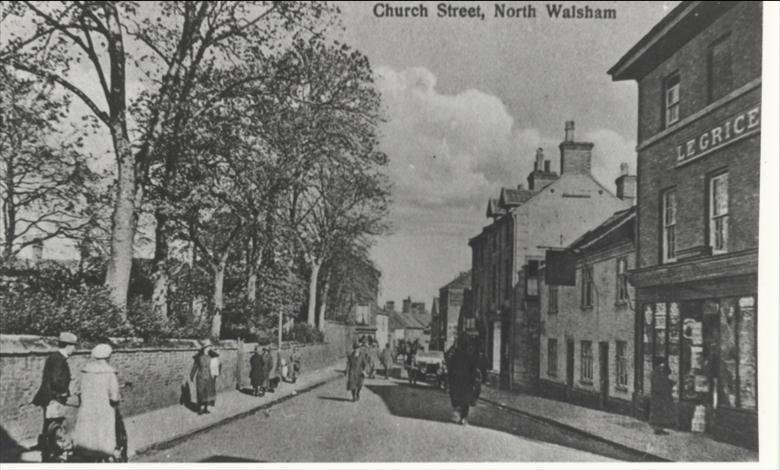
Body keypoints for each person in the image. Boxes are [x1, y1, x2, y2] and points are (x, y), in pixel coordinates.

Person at [32, 332, 78, 462]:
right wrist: (64, 391)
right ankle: (51, 454)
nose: (74, 349)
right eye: (73, 346)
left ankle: (48, 455)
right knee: (54, 425)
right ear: (68, 345)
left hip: (51, 396)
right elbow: (56, 380)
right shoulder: (59, 359)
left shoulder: (55, 357)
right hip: (54, 397)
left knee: (51, 425)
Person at [72, 344, 121, 461]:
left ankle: (86, 454)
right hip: (104, 410)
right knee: (103, 436)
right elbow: (114, 397)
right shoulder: (109, 373)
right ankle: (104, 455)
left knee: (88, 435)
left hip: (87, 410)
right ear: (108, 356)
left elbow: (78, 390)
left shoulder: (85, 371)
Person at [446, 339, 480, 425]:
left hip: (457, 381)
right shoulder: (470, 356)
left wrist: (449, 379)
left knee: (458, 398)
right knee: (465, 400)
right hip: (467, 382)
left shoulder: (455, 355)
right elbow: (474, 369)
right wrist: (473, 380)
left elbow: (449, 365)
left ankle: (460, 415)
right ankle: (463, 417)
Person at [649, 357, 677, 435]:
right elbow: (660, 383)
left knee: (660, 413)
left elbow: (665, 380)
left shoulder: (658, 372)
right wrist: (670, 384)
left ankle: (659, 429)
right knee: (658, 413)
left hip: (660, 396)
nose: (662, 366)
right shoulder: (656, 373)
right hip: (658, 396)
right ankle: (658, 429)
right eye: (661, 364)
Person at [190, 340, 217, 414]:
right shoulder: (199, 357)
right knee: (200, 392)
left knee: (207, 393)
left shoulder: (211, 356)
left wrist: (215, 374)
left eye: (210, 347)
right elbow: (195, 366)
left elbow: (216, 365)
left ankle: (205, 408)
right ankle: (199, 409)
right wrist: (192, 375)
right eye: (208, 347)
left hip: (209, 377)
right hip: (200, 376)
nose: (209, 348)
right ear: (205, 348)